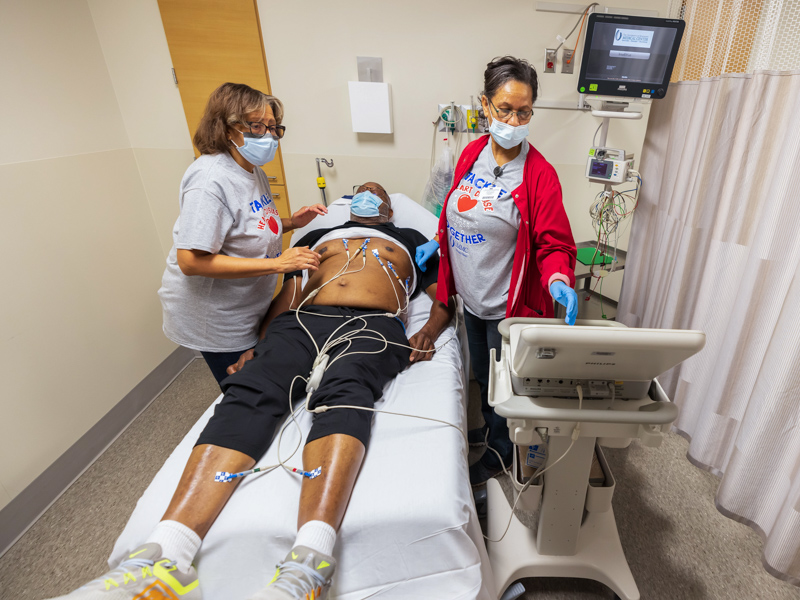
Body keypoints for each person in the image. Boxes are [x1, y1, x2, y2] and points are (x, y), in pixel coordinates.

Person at [49, 185, 454, 600]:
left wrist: (427, 331)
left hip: (373, 323)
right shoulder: (317, 237)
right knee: (250, 391)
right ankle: (162, 557)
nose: (368, 195)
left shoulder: (413, 240)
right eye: (360, 191)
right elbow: (289, 294)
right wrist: (261, 347)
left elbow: (445, 296)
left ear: (388, 208)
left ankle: (309, 565)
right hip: (303, 319)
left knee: (345, 392)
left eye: (376, 193)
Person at [416, 56, 579, 485]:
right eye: (504, 108)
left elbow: (554, 243)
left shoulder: (539, 175)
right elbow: (456, 207)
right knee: (483, 380)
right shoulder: (472, 153)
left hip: (508, 306)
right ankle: (490, 430)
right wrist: (439, 239)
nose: (514, 119)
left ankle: (501, 453)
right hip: (471, 297)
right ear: (485, 106)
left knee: (505, 386)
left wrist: (559, 277)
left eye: (524, 111)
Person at [158, 82, 327, 386]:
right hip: (215, 316)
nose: (270, 136)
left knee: (257, 371)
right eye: (257, 126)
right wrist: (278, 264)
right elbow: (191, 261)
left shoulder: (251, 169)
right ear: (226, 129)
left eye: (273, 127)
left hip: (246, 306)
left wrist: (291, 222)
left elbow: (248, 226)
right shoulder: (210, 180)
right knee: (246, 388)